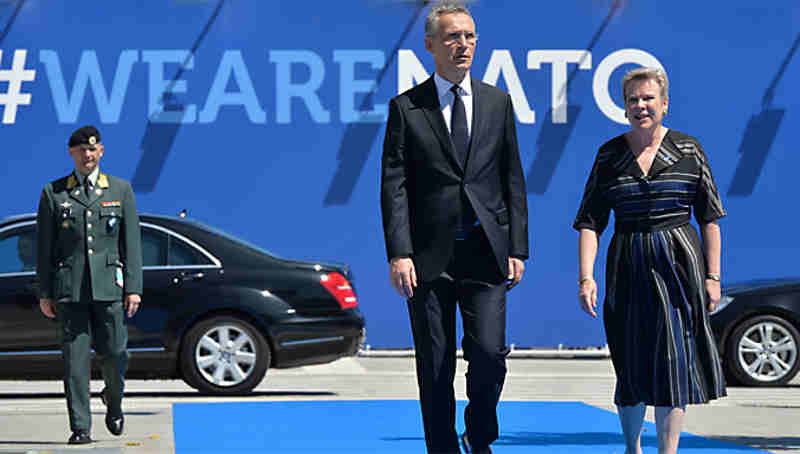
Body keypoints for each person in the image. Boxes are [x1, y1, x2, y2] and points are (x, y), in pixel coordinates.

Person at [380, 3, 528, 453]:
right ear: (430, 45)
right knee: (436, 364)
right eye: (452, 37)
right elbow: (394, 185)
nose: (462, 44)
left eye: (469, 36)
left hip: (486, 253)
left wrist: (517, 247)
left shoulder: (498, 102)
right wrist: (399, 252)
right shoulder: (407, 108)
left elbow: (512, 178)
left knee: (489, 356)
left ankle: (479, 433)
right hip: (428, 259)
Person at [574, 67, 727, 454]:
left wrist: (713, 276)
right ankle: (632, 447)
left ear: (664, 103)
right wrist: (586, 278)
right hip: (628, 263)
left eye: (647, 98)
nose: (640, 106)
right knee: (630, 360)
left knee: (674, 361)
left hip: (678, 265)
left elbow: (709, 217)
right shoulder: (609, 155)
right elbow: (590, 221)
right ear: (624, 107)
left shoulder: (689, 149)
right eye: (632, 100)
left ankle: (667, 450)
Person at [36, 125, 143, 445]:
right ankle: (80, 426)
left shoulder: (120, 190)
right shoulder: (54, 193)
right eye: (82, 150)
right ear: (72, 153)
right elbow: (44, 249)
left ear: (102, 152)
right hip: (71, 290)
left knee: (116, 352)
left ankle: (113, 399)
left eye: (93, 150)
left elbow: (131, 244)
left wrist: (133, 287)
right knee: (75, 361)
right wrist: (45, 292)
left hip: (109, 288)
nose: (88, 155)